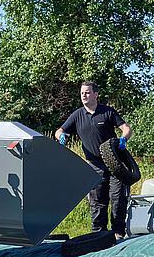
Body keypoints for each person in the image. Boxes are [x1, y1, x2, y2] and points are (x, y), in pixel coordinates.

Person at [53, 81, 133, 235]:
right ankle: (98, 233)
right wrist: (61, 136)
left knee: (117, 199)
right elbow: (60, 130)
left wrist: (124, 138)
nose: (84, 95)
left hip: (116, 162)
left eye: (87, 92)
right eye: (82, 93)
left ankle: (118, 233)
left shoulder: (107, 112)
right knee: (97, 202)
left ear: (96, 95)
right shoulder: (77, 115)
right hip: (94, 165)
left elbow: (126, 128)